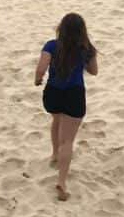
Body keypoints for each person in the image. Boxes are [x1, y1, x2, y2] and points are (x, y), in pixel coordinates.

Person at [34, 13, 98, 201]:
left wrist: (37, 80)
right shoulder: (86, 49)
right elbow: (94, 71)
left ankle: (55, 155)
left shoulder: (52, 46)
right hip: (74, 94)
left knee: (57, 119)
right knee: (68, 140)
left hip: (53, 93)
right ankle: (62, 181)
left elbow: (41, 68)